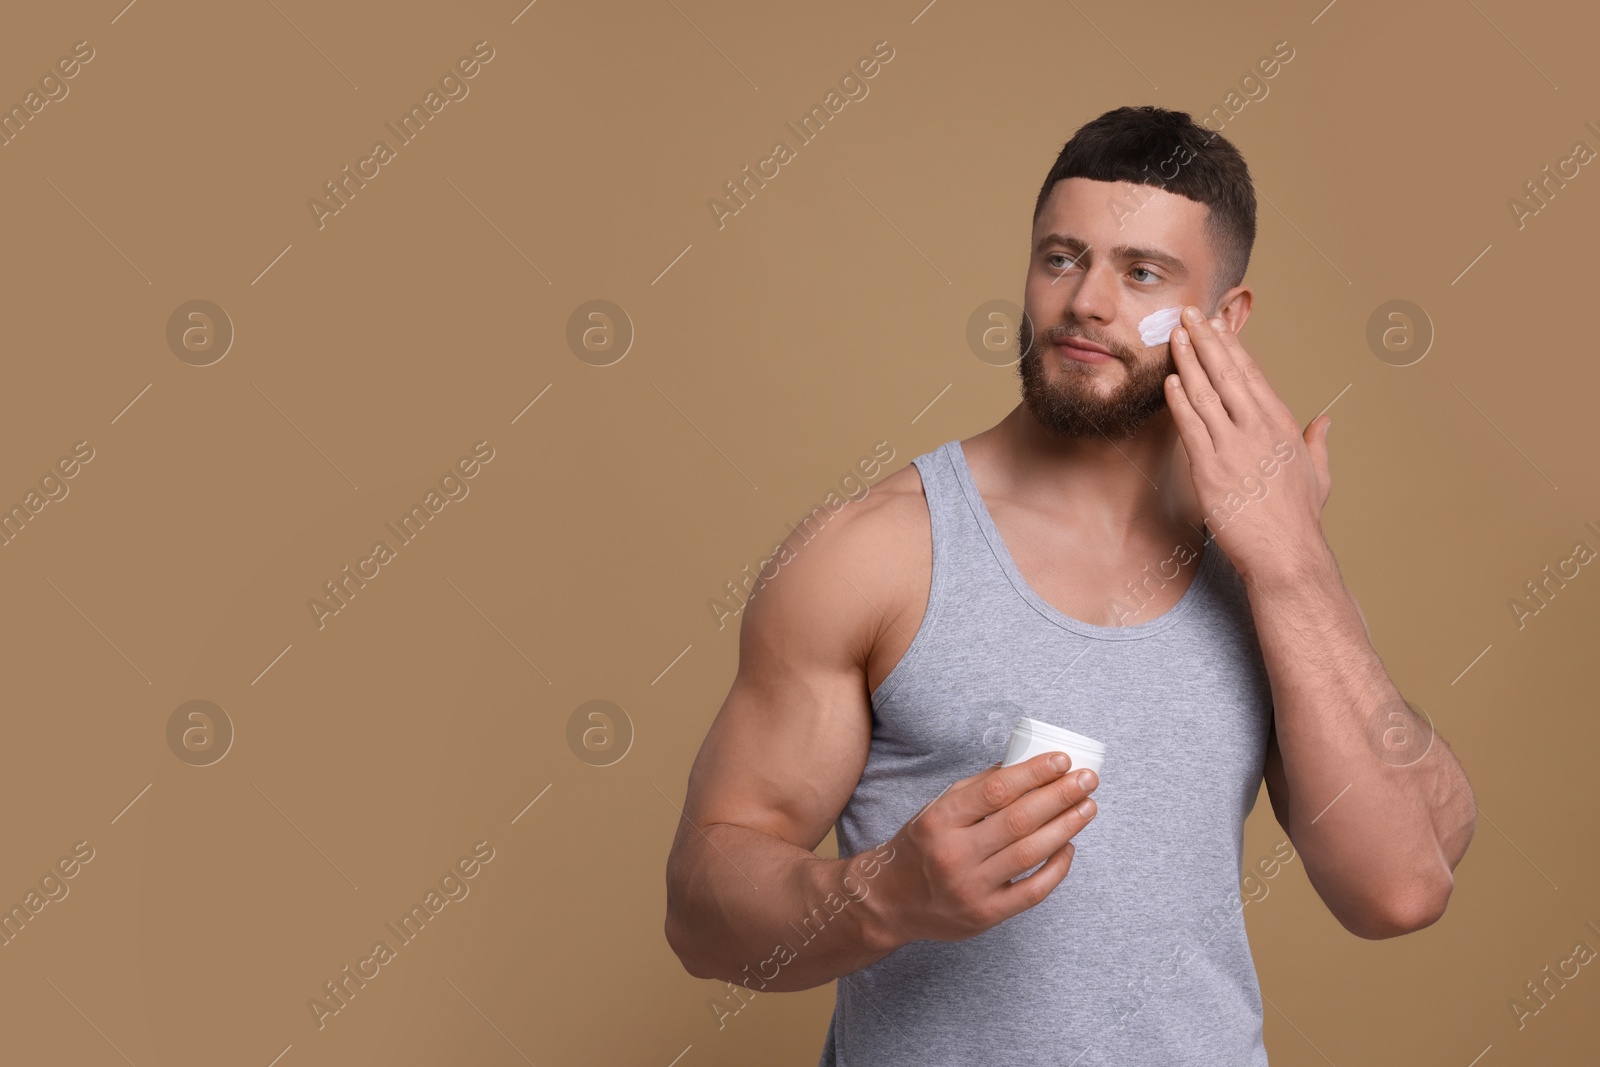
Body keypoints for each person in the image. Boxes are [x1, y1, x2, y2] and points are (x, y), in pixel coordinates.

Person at [663, 105, 1476, 1066]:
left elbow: (1399, 885)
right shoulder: (875, 554)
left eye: (1141, 273)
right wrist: (884, 891)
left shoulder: (1270, 566)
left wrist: (1296, 561)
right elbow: (701, 910)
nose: (1087, 301)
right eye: (1061, 257)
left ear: (1224, 319)